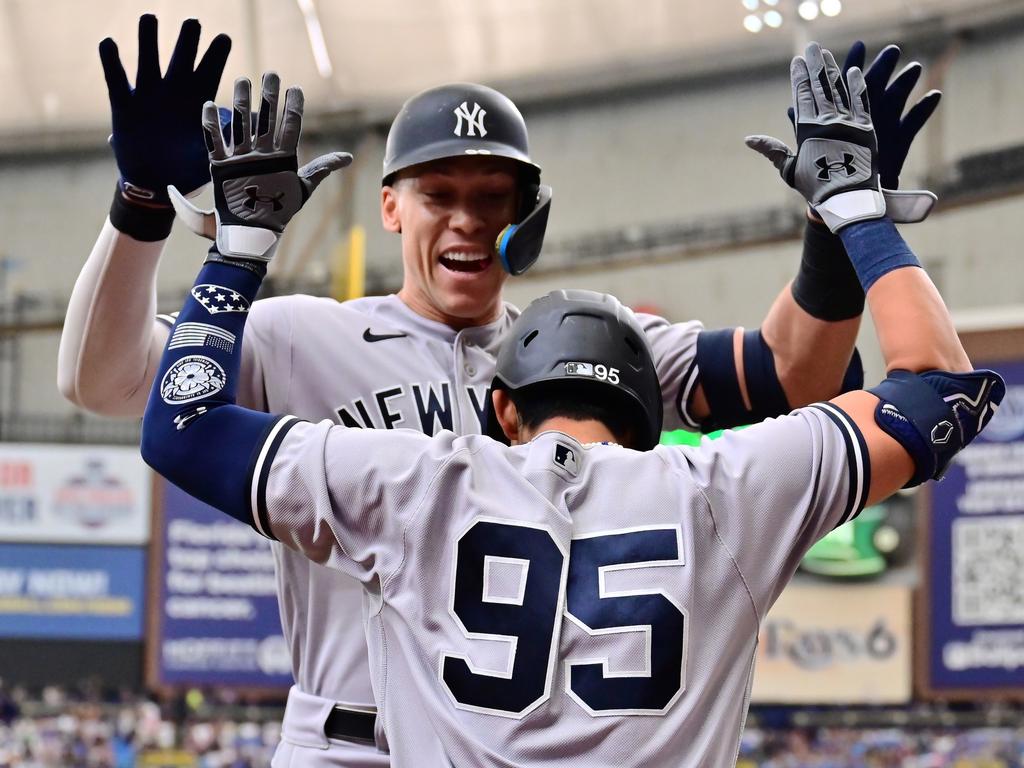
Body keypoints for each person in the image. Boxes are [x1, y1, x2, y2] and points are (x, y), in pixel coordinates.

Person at [58, 15, 939, 766]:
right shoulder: (299, 333)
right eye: (438, 192)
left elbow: (792, 375)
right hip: (342, 739)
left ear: (531, 211)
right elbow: (102, 384)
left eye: (495, 194)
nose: (470, 218)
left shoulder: (579, 351)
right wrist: (141, 206)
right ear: (391, 206)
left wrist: (834, 232)